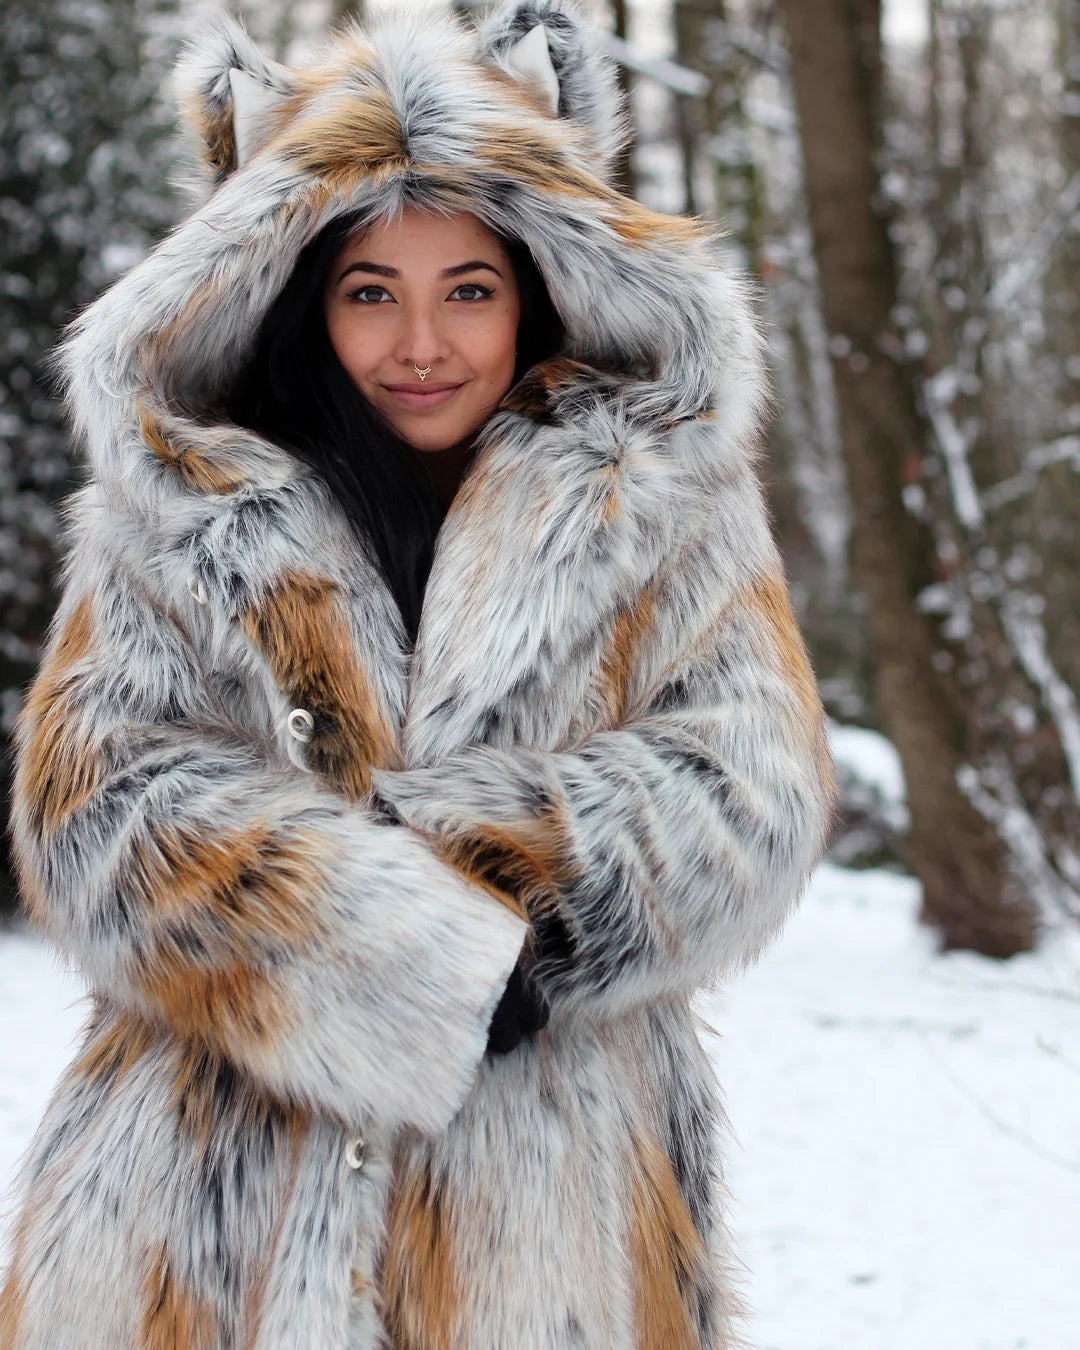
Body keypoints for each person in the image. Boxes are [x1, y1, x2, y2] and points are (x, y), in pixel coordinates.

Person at [0, 2, 836, 1347]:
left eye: (469, 289)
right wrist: (390, 946)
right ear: (299, 300)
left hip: (544, 1202)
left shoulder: (667, 499)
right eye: (370, 293)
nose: (421, 344)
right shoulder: (186, 501)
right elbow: (91, 797)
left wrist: (534, 907)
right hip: (207, 1205)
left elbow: (753, 772)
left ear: (540, 287)